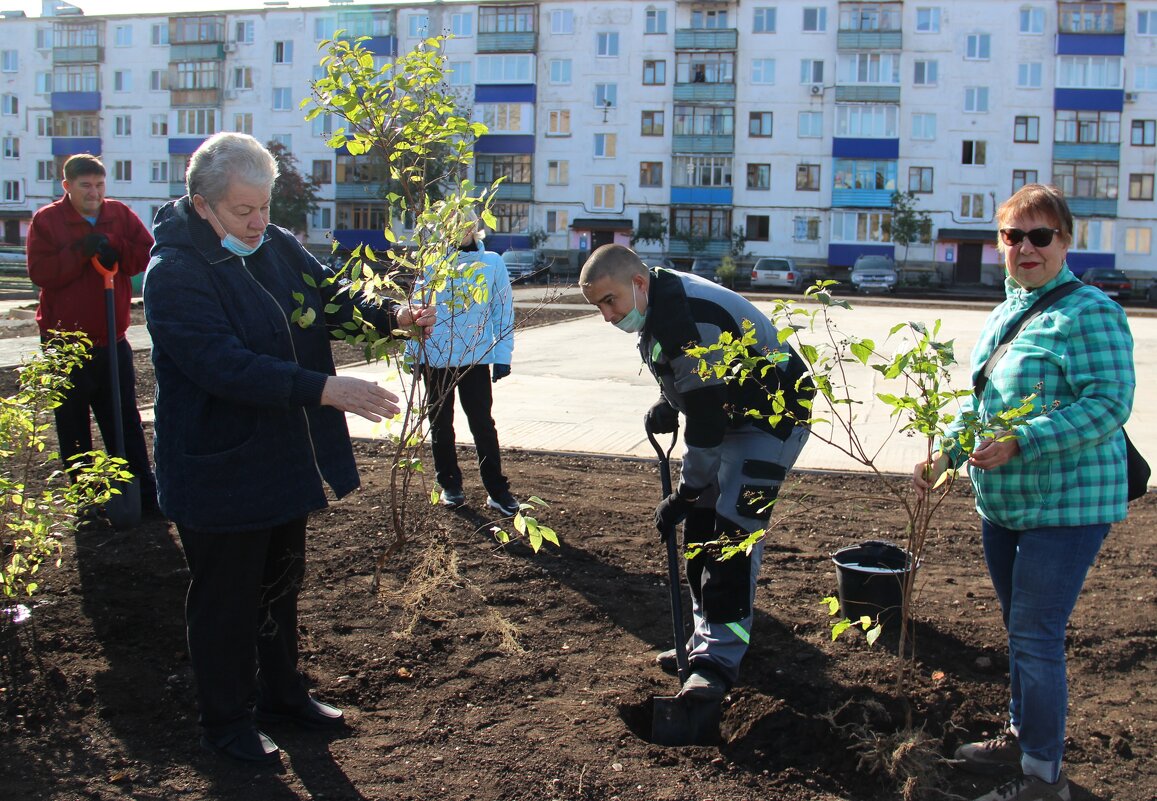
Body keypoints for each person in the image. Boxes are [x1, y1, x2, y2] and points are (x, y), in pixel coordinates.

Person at [143, 132, 434, 765]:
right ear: (201, 205)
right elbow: (223, 366)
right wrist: (323, 388)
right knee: (226, 600)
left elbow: (329, 298)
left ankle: (281, 697)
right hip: (217, 469)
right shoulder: (175, 274)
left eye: (264, 207)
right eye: (242, 211)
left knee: (279, 583)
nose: (257, 222)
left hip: (278, 457)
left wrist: (394, 318)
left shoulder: (273, 246)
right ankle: (226, 723)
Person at [913, 184, 1134, 801]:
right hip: (1007, 502)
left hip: (1068, 503)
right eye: (1014, 235)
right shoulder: (1008, 308)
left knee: (1036, 634)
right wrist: (948, 452)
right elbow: (981, 399)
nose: (1026, 247)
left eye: (1041, 235)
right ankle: (1022, 734)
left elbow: (1109, 404)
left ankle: (1043, 777)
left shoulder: (1092, 312)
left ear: (1066, 242)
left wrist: (1023, 441)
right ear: (1000, 244)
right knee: (1021, 630)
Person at [579, 244, 812, 701]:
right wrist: (668, 404)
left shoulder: (686, 319)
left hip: (773, 421)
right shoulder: (659, 300)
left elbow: (704, 427)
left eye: (610, 302)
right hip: (731, 414)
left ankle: (717, 665)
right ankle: (706, 641)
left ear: (638, 284)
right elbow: (692, 382)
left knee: (731, 537)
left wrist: (685, 495)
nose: (607, 316)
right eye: (598, 307)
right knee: (703, 533)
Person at [26, 153, 158, 518]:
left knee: (124, 421)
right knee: (72, 425)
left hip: (112, 341)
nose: (94, 193)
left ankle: (143, 496)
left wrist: (115, 246)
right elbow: (41, 273)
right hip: (64, 346)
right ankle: (90, 501)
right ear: (67, 186)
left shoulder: (118, 214)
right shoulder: (48, 220)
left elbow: (146, 254)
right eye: (86, 186)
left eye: (100, 185)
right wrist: (78, 252)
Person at [409, 211, 519, 516]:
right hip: (436, 358)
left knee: (483, 426)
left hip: (475, 360)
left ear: (475, 226)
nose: (458, 230)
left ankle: (497, 490)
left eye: (464, 223)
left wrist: (502, 355)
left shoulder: (492, 263)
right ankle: (450, 485)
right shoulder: (432, 262)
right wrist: (412, 354)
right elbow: (414, 309)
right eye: (450, 224)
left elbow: (502, 310)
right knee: (440, 426)